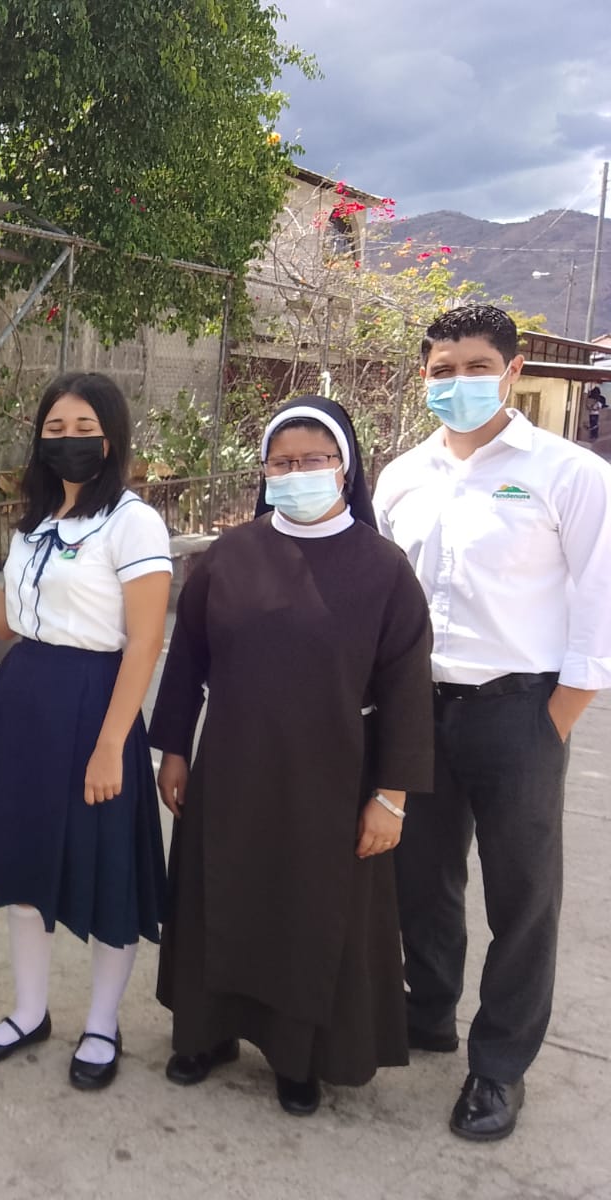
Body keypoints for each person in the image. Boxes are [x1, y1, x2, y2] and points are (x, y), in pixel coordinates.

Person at [150, 397, 434, 1116]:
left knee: (307, 914)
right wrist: (174, 749)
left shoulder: (384, 568)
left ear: (345, 468)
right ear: (265, 472)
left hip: (332, 775)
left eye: (313, 460)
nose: (297, 472)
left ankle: (296, 1058)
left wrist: (392, 796)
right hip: (232, 766)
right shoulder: (228, 556)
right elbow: (187, 660)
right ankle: (206, 1035)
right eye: (282, 462)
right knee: (220, 897)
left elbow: (406, 687)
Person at [376, 304, 611, 1142]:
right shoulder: (402, 477)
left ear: (512, 372)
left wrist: (555, 718)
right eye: (443, 370)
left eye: (477, 367)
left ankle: (500, 1066)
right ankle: (429, 1009)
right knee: (422, 878)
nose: (459, 383)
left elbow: (598, 604)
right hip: (418, 707)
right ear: (424, 376)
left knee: (523, 896)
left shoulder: (569, 474)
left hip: (520, 710)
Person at [0, 371, 169, 1089]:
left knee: (105, 872)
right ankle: (29, 1011)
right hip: (23, 702)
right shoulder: (35, 522)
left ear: (112, 438)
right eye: (55, 429)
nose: (69, 441)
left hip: (95, 703)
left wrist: (110, 745)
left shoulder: (132, 521)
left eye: (84, 429)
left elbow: (144, 642)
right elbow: (7, 623)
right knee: (25, 865)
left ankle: (101, 1023)